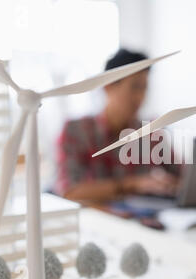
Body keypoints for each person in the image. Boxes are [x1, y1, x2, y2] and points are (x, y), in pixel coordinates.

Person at [54, 49, 180, 203]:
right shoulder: (76, 132)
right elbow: (70, 191)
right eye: (135, 87)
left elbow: (184, 178)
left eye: (144, 87)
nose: (140, 97)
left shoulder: (152, 132)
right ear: (108, 87)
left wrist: (168, 183)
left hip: (144, 220)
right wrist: (133, 184)